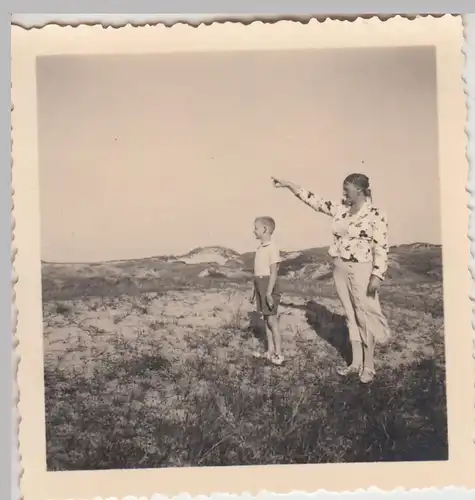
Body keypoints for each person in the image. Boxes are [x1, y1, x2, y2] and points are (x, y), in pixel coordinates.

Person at [271, 173, 390, 383]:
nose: (344, 193)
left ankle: (369, 366)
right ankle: (355, 363)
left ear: (360, 190)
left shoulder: (376, 215)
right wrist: (290, 185)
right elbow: (314, 201)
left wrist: (377, 275)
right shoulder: (340, 210)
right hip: (340, 268)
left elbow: (381, 247)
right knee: (351, 315)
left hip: (362, 268)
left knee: (365, 315)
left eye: (347, 189)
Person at [251, 216, 284, 366]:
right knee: (266, 319)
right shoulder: (260, 248)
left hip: (268, 285)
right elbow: (257, 272)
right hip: (260, 284)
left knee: (272, 320)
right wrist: (254, 291)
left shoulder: (272, 248)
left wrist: (269, 293)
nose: (254, 231)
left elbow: (274, 273)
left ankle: (279, 353)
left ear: (265, 229)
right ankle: (269, 351)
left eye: (256, 227)